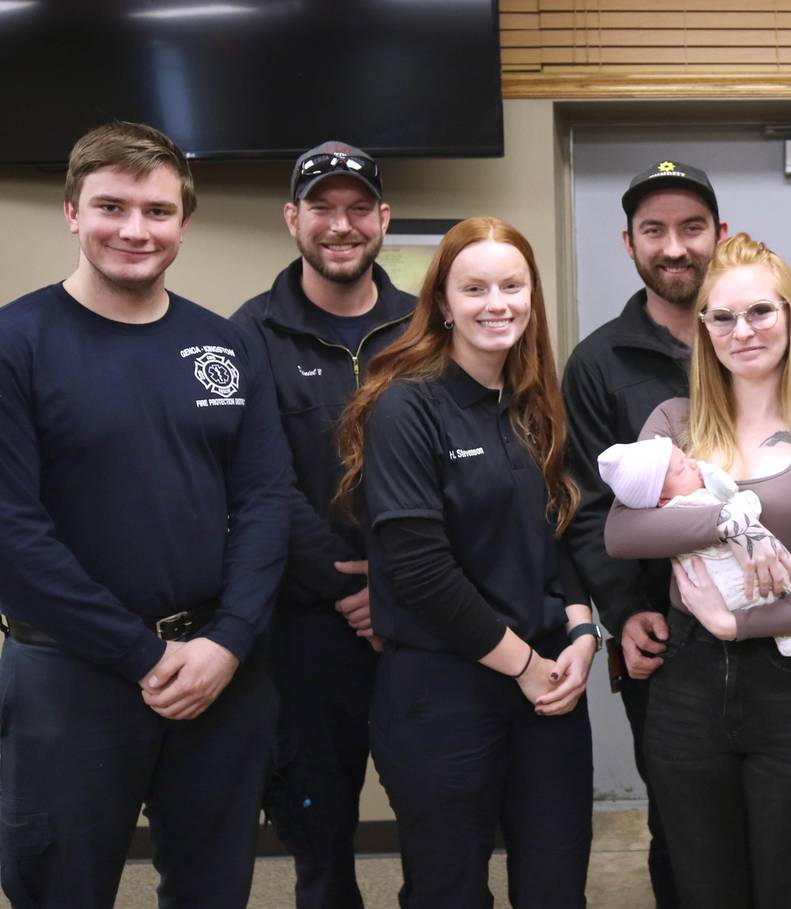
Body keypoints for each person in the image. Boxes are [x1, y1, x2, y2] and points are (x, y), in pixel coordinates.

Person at [0, 121, 290, 908]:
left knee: (213, 888)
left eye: (157, 211)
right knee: (58, 886)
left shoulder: (223, 346)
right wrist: (139, 653)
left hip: (217, 675)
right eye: (111, 206)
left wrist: (228, 640)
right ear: (71, 211)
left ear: (183, 223)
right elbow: (12, 533)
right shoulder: (16, 343)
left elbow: (265, 500)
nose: (135, 229)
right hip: (71, 676)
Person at [334, 216, 597, 908]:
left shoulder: (535, 406)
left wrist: (581, 630)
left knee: (556, 887)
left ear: (532, 296)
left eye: (512, 285)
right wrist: (526, 664)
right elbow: (420, 570)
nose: (496, 302)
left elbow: (555, 530)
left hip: (549, 691)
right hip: (443, 692)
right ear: (443, 303)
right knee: (448, 890)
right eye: (474, 287)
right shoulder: (406, 406)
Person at [605, 232, 791, 909]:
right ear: (703, 331)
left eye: (760, 311)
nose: (742, 330)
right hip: (688, 697)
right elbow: (622, 530)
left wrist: (738, 621)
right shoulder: (674, 423)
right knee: (704, 891)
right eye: (721, 317)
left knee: (790, 890)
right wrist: (732, 521)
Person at [231, 140, 415, 909]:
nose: (340, 225)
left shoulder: (426, 328)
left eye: (356, 208)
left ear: (382, 218)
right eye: (321, 208)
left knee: (442, 822)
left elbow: (458, 474)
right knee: (321, 844)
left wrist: (397, 587)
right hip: (306, 633)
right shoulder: (250, 332)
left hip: (423, 621)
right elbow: (257, 481)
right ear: (292, 219)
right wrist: (347, 587)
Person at [561, 158, 728, 907]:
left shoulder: (757, 334)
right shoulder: (598, 362)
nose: (675, 246)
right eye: (654, 230)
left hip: (769, 627)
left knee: (773, 812)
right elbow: (589, 506)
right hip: (662, 640)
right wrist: (626, 611)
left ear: (720, 237)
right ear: (628, 243)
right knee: (686, 824)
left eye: (692, 228)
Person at [596, 434, 791, 656]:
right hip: (733, 586)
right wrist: (739, 505)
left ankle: (790, 634)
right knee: (769, 579)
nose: (694, 464)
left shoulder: (669, 518)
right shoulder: (691, 503)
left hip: (719, 596)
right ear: (663, 499)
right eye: (682, 468)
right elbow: (745, 508)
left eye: (687, 458)